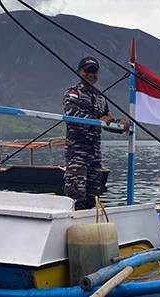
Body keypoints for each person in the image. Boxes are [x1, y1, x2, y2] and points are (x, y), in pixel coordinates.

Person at [63, 56, 128, 210]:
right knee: (75, 198)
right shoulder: (72, 93)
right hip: (77, 156)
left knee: (93, 200)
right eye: (87, 70)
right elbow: (72, 116)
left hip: (95, 157)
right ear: (79, 72)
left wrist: (120, 124)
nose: (91, 74)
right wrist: (99, 120)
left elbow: (106, 122)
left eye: (94, 71)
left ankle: (88, 231)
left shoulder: (101, 98)